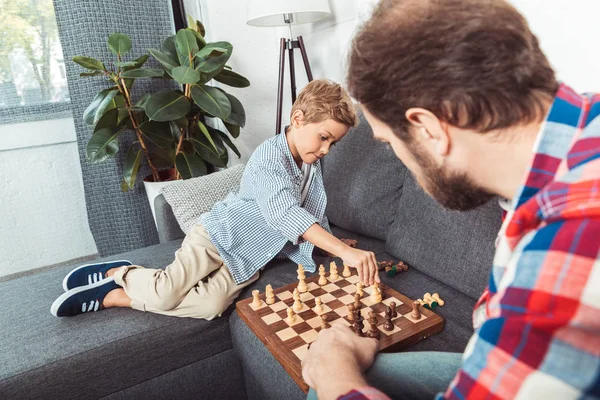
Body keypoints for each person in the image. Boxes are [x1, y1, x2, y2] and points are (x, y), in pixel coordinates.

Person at [302, 0, 600, 399]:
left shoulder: (571, 234)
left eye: (390, 144)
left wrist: (335, 373)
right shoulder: (578, 131)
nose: (397, 158)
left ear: (428, 128)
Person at [51, 79, 381, 319]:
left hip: (250, 256)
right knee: (166, 293)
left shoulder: (310, 164)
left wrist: (331, 243)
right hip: (216, 236)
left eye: (332, 144)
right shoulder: (270, 157)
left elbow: (313, 208)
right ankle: (118, 277)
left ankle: (118, 296)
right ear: (298, 120)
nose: (325, 149)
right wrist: (341, 252)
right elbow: (285, 212)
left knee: (211, 307)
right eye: (324, 137)